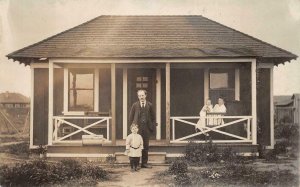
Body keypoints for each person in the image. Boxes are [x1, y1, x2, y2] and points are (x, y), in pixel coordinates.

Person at [129, 89, 156, 168]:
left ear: (145, 95)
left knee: (145, 146)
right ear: (138, 96)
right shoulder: (135, 105)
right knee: (135, 145)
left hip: (146, 128)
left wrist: (151, 126)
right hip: (137, 129)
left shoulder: (150, 105)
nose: (141, 97)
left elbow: (153, 117)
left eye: (142, 95)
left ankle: (144, 163)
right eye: (139, 96)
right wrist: (132, 127)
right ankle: (135, 164)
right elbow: (131, 117)